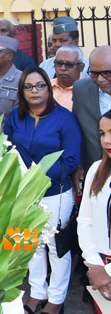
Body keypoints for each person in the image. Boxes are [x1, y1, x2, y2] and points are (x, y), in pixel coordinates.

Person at [3, 67, 80, 314]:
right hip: (22, 192)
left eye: (40, 85)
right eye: (28, 87)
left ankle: (56, 300)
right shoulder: (15, 117)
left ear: (48, 88)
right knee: (29, 245)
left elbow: (71, 158)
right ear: (21, 91)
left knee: (56, 248)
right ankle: (37, 293)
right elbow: (5, 147)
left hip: (54, 192)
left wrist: (39, 176)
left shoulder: (64, 118)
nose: (34, 91)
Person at [77, 110, 111, 305]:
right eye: (102, 133)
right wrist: (96, 265)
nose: (106, 140)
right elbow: (85, 220)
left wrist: (107, 273)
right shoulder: (96, 169)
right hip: (99, 265)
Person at [73, 46, 111, 188]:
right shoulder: (81, 89)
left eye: (107, 73)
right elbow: (76, 129)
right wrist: (78, 164)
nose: (100, 79)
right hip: (95, 172)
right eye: (94, 73)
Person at [50, 45, 84, 111]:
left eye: (69, 64)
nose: (63, 68)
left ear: (81, 67)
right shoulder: (45, 87)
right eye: (59, 63)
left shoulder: (87, 91)